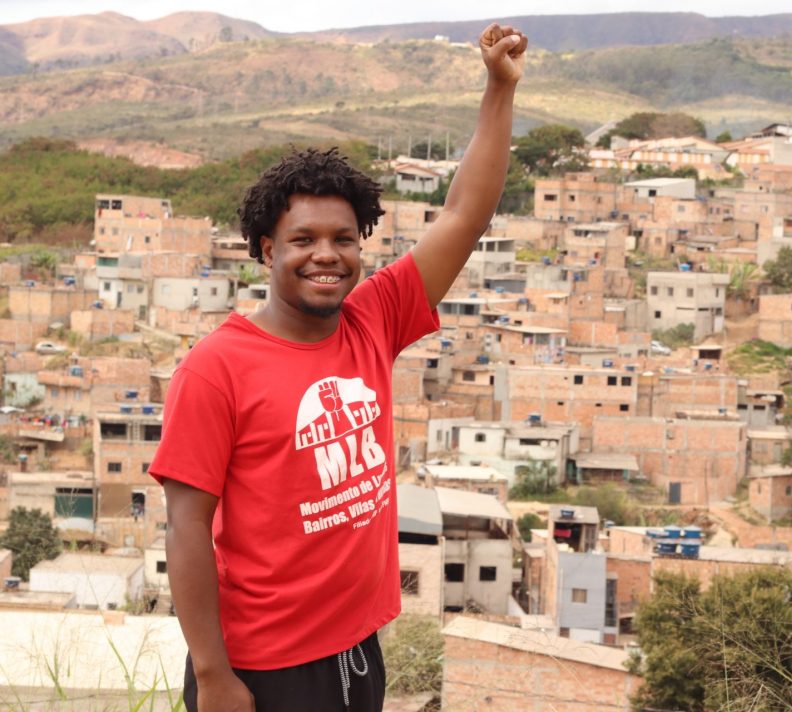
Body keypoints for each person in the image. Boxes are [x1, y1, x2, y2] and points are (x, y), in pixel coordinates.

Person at [149, 23, 526, 712]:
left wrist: (497, 90)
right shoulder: (217, 367)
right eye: (304, 240)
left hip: (357, 648)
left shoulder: (372, 320)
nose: (326, 254)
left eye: (343, 239)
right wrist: (212, 675)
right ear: (266, 250)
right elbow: (186, 527)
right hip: (262, 668)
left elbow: (464, 216)